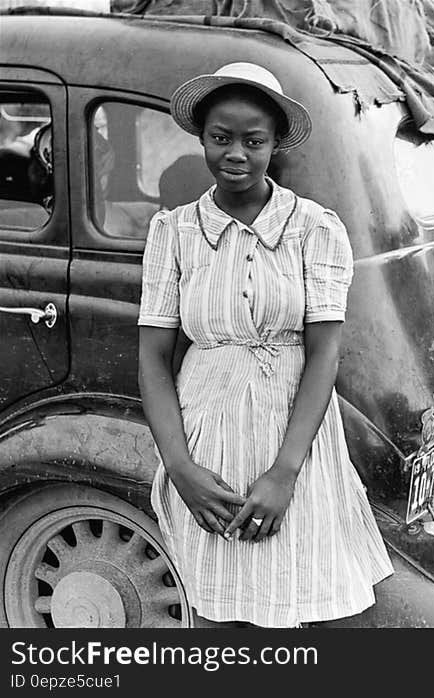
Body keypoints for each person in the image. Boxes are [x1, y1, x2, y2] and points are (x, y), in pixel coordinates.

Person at [137, 62, 393, 628]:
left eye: (253, 141)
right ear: (201, 137)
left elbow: (324, 352)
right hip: (207, 441)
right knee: (216, 615)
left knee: (306, 600)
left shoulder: (315, 229)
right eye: (220, 138)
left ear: (275, 144)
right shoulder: (174, 232)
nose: (235, 154)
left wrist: (284, 472)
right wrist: (180, 468)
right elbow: (153, 358)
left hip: (293, 442)